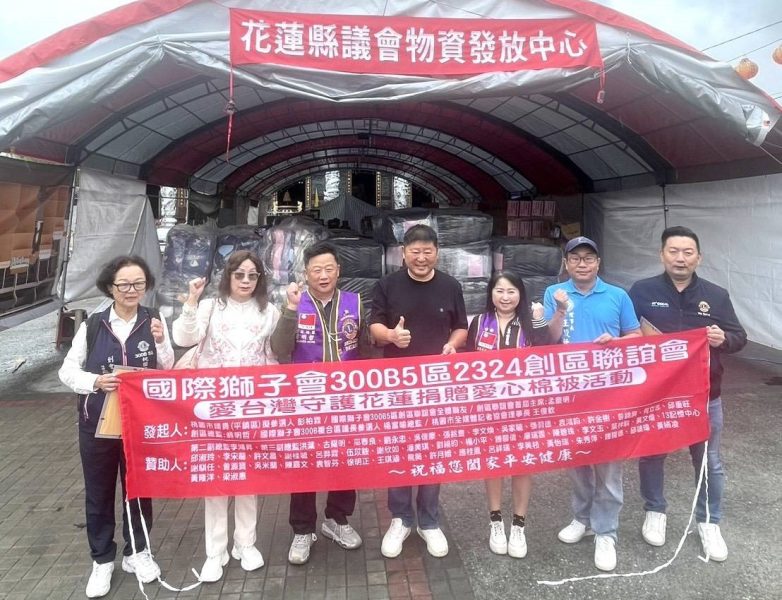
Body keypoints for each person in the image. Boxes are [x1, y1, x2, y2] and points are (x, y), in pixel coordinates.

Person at [628, 226, 746, 562]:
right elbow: (627, 331)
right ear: (662, 255)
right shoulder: (642, 291)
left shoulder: (716, 295)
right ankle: (655, 510)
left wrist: (724, 339)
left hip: (704, 395)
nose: (680, 258)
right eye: (674, 251)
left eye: (687, 252)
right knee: (652, 455)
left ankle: (709, 522)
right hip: (657, 395)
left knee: (709, 460)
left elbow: (739, 337)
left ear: (699, 257)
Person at [59, 255, 174, 598]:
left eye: (138, 283)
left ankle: (137, 552)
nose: (131, 290)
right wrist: (95, 381)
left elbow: (168, 368)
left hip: (140, 424)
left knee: (138, 489)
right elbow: (67, 371)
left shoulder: (154, 319)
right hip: (97, 425)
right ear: (110, 287)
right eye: (123, 284)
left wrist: (161, 341)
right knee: (99, 492)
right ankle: (102, 559)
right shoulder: (94, 325)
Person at [172, 250, 280, 582]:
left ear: (259, 279)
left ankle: (245, 543)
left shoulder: (269, 311)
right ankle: (215, 550)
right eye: (239, 274)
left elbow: (272, 357)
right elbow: (183, 338)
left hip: (250, 407)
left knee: (248, 477)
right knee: (215, 478)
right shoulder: (209, 307)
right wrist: (192, 300)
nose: (246, 281)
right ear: (228, 276)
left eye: (252, 275)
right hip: (212, 408)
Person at [370, 224, 468, 559]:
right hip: (398, 384)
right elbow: (374, 326)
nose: (421, 257)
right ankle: (400, 518)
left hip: (436, 385)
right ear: (403, 253)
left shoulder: (450, 286)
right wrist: (391, 336)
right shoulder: (387, 285)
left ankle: (428, 520)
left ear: (437, 253)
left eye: (427, 251)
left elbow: (461, 326)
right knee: (399, 448)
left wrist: (453, 345)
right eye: (415, 251)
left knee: (432, 449)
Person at [543, 236, 641, 572]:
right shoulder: (554, 293)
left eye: (588, 258)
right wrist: (559, 309)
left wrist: (617, 341)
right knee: (578, 460)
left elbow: (636, 336)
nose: (582, 264)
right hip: (570, 394)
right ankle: (582, 518)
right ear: (566, 263)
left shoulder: (617, 295)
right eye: (575, 258)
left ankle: (606, 531)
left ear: (598, 263)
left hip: (608, 395)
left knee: (608, 465)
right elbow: (548, 339)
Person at [270, 241, 369, 565]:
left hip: (345, 401)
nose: (323, 275)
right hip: (306, 401)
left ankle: (337, 519)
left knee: (345, 460)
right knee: (304, 463)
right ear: (306, 273)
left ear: (338, 270)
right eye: (316, 270)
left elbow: (367, 349)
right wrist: (290, 310)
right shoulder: (295, 303)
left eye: (329, 269)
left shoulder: (355, 302)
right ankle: (302, 529)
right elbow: (279, 349)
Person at [466, 271, 549, 559]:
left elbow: (549, 356)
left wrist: (543, 320)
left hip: (524, 410)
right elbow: (467, 365)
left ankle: (519, 524)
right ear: (490, 294)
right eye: (499, 290)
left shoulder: (531, 322)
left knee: (522, 464)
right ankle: (496, 521)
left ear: (520, 295)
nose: (505, 297)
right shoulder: (478, 322)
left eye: (511, 291)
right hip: (488, 410)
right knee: (494, 463)